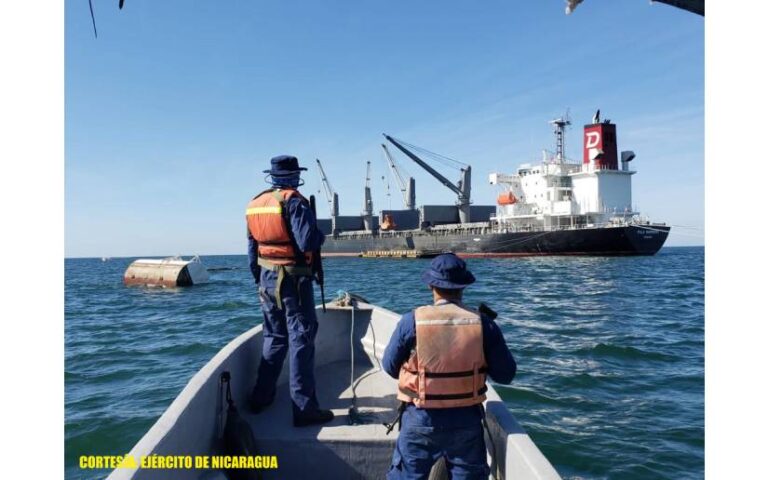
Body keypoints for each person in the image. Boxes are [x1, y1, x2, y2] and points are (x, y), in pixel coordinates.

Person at [382, 253, 517, 479]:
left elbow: (389, 366)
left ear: (431, 286)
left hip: (419, 419)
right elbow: (506, 374)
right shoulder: (484, 324)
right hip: (466, 421)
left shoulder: (411, 321)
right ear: (463, 287)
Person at [245, 155, 334, 427]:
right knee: (302, 338)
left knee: (274, 337)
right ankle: (304, 408)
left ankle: (261, 398)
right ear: (295, 176)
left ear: (271, 177)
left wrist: (259, 278)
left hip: (266, 279)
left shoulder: (255, 205)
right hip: (293, 281)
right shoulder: (294, 202)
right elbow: (307, 241)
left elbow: (252, 250)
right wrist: (320, 234)